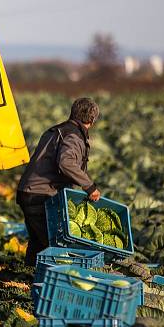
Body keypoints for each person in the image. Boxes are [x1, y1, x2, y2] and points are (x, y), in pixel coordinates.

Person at [17, 97, 101, 265]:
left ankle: (28, 278)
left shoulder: (57, 130)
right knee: (50, 246)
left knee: (37, 244)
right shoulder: (74, 136)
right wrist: (90, 187)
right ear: (92, 120)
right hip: (40, 195)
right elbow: (66, 163)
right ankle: (44, 284)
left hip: (29, 191)